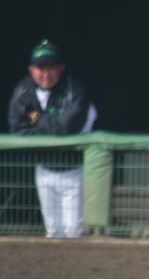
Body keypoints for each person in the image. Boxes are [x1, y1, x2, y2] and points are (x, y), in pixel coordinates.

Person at [8, 39, 97, 238]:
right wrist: (49, 124)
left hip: (75, 169)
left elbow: (65, 127)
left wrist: (36, 118)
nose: (46, 74)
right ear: (31, 69)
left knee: (74, 232)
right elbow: (17, 128)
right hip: (44, 169)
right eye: (41, 68)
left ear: (61, 68)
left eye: (51, 67)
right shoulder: (23, 90)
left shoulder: (74, 89)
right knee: (53, 232)